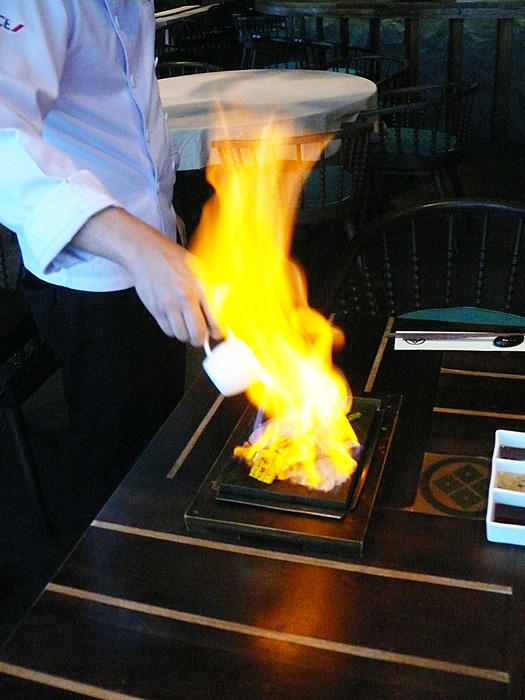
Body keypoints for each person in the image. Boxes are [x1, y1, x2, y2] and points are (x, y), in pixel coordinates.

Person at [0, 0, 220, 532]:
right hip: (93, 272)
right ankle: (105, 594)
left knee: (158, 444)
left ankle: (155, 557)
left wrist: (163, 224)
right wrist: (142, 248)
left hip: (154, 254)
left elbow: (125, 109)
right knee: (115, 474)